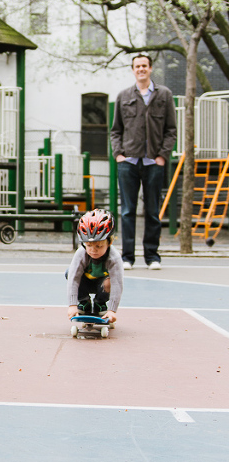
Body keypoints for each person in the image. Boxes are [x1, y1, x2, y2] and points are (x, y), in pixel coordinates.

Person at [110, 54, 177, 270]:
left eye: (144, 66)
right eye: (137, 66)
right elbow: (116, 130)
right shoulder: (124, 95)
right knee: (128, 211)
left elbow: (170, 130)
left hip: (153, 163)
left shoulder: (164, 95)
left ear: (150, 69)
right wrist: (118, 154)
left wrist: (162, 156)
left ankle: (152, 256)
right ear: (133, 70)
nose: (141, 69)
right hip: (128, 162)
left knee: (152, 211)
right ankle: (127, 257)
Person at [66, 209, 123, 323]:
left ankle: (99, 303)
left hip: (102, 285)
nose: (93, 250)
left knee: (110, 281)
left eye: (99, 246)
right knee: (69, 272)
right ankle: (84, 301)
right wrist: (72, 305)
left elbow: (117, 283)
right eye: (89, 245)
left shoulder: (114, 257)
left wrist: (112, 310)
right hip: (85, 282)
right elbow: (73, 278)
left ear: (109, 242)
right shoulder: (81, 253)